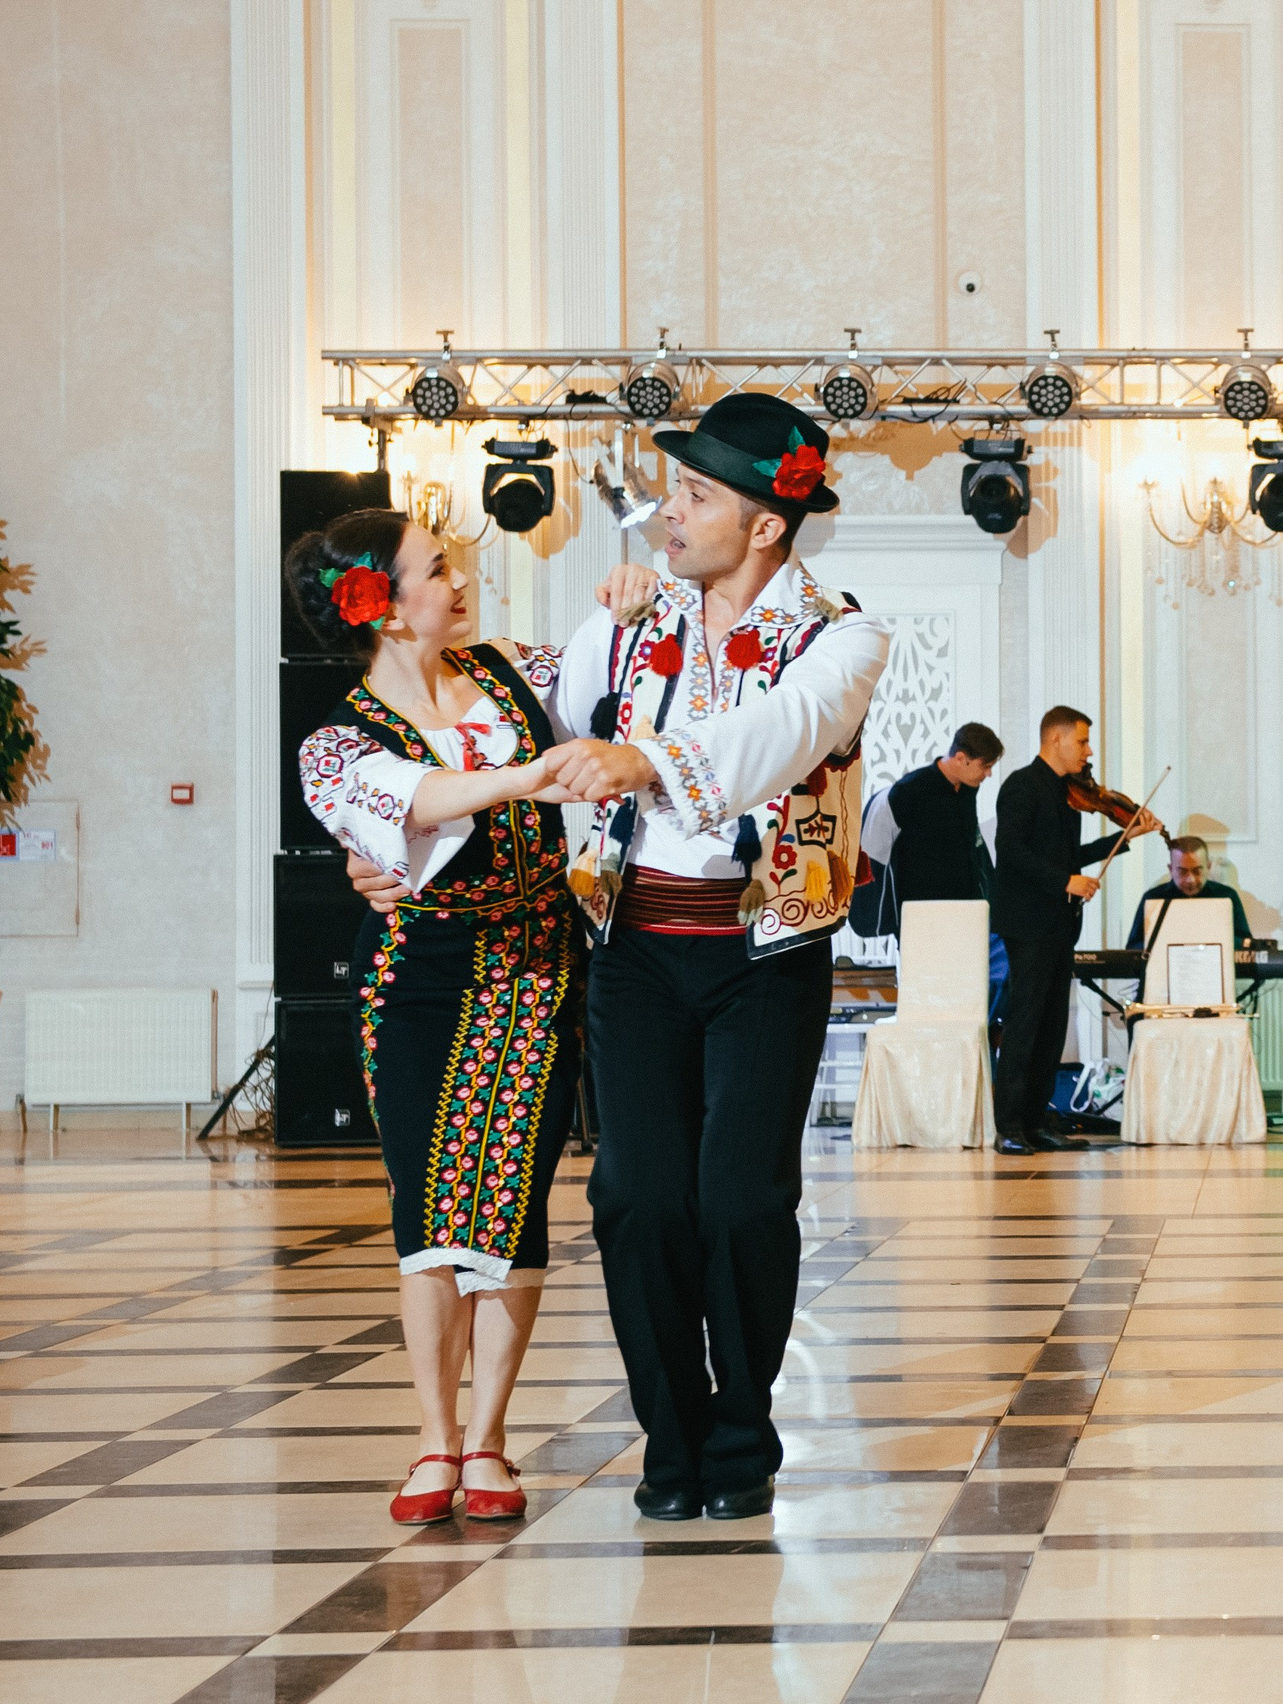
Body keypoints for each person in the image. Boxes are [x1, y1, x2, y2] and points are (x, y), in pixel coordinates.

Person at [354, 393, 892, 1522]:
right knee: (636, 1199)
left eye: (693, 495)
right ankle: (673, 1436)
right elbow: (496, 750)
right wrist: (395, 848)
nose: (666, 514)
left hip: (765, 951)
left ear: (763, 525)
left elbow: (777, 736)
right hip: (631, 950)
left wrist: (644, 762)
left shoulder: (845, 637)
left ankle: (741, 1440)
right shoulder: (617, 630)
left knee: (743, 1200)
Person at [292, 508, 583, 1526]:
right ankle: (433, 1440)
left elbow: (610, 664)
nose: (459, 583)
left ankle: (492, 1438)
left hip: (536, 963)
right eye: (436, 570)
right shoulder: (335, 744)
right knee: (428, 1208)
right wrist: (536, 774)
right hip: (418, 972)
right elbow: (417, 801)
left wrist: (630, 603)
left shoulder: (511, 667)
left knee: (511, 1200)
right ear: (376, 602)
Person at [990, 705, 1161, 1154]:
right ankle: (1009, 1126)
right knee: (1025, 1024)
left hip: (1060, 924)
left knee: (1052, 1026)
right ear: (1056, 741)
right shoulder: (1021, 786)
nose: (1089, 751)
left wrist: (1123, 841)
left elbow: (1070, 856)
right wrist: (1064, 881)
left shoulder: (1067, 795)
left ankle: (1036, 1121)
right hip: (1027, 924)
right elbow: (1009, 851)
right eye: (1082, 741)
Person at [887, 722, 1002, 905]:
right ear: (960, 758)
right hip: (922, 907)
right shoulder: (910, 789)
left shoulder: (968, 788)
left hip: (966, 905)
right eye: (985, 766)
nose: (988, 774)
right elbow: (890, 855)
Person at [1126, 834, 1253, 953]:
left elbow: (1246, 945)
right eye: (1182, 872)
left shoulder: (1227, 896)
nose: (1190, 880)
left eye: (1197, 871)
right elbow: (1133, 948)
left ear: (1208, 867)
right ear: (1171, 869)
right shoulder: (1153, 898)